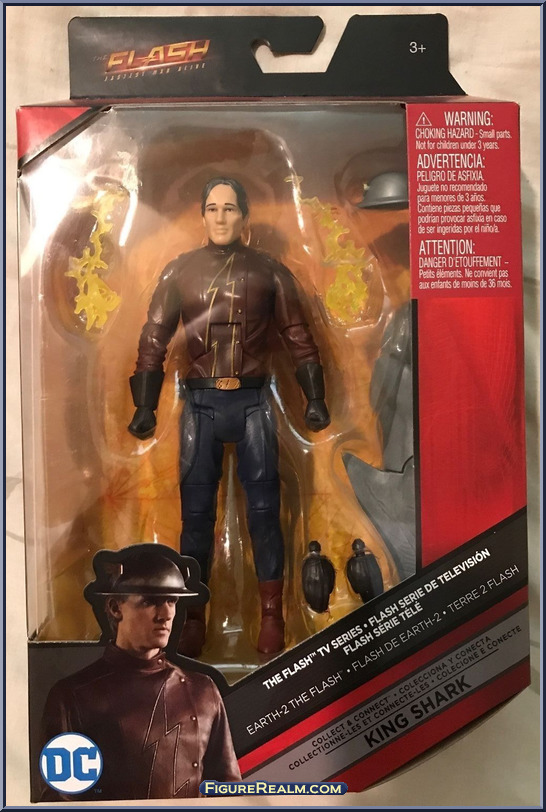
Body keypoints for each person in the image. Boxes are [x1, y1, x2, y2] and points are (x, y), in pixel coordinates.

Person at [128, 177, 330, 656]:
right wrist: (145, 405)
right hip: (200, 404)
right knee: (196, 519)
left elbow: (298, 333)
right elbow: (154, 337)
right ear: (203, 214)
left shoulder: (269, 271)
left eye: (230, 208)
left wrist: (314, 397)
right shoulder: (179, 271)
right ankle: (193, 616)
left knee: (265, 515)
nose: (221, 217)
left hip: (255, 402)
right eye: (213, 208)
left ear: (244, 215)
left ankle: (272, 615)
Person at [40, 547, 241, 801]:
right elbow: (59, 801)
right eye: (150, 601)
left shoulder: (202, 690)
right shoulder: (74, 697)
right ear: (115, 607)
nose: (166, 614)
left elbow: (228, 791)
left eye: (171, 601)